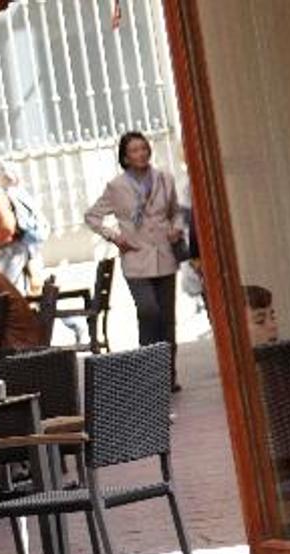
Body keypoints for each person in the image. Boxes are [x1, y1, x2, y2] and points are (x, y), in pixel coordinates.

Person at [85, 131, 186, 390]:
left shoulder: (164, 178)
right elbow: (92, 216)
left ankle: (168, 376)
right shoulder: (116, 186)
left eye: (143, 148)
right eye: (134, 150)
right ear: (125, 157)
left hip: (164, 256)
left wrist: (176, 228)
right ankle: (150, 371)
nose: (140, 154)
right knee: (148, 311)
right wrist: (115, 237)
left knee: (168, 319)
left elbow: (176, 212)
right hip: (136, 258)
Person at [0, 161, 49, 294]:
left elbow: (8, 225)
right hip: (21, 245)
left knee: (8, 290)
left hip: (14, 248)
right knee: (26, 287)